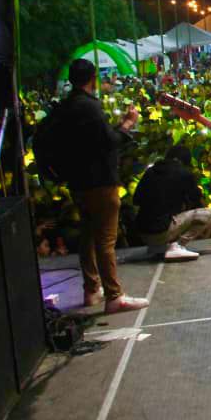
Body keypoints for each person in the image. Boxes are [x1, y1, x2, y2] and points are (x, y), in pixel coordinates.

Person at [63, 59, 149, 313]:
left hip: (78, 182)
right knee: (105, 239)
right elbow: (109, 142)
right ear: (93, 79)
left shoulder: (68, 106)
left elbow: (94, 141)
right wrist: (128, 124)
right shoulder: (90, 107)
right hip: (100, 182)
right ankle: (114, 296)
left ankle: (91, 290)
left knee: (88, 234)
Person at [134, 143, 211, 261]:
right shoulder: (184, 173)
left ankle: (158, 247)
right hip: (161, 232)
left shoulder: (150, 172)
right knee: (208, 214)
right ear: (185, 161)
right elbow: (197, 200)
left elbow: (136, 199)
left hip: (142, 232)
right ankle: (176, 246)